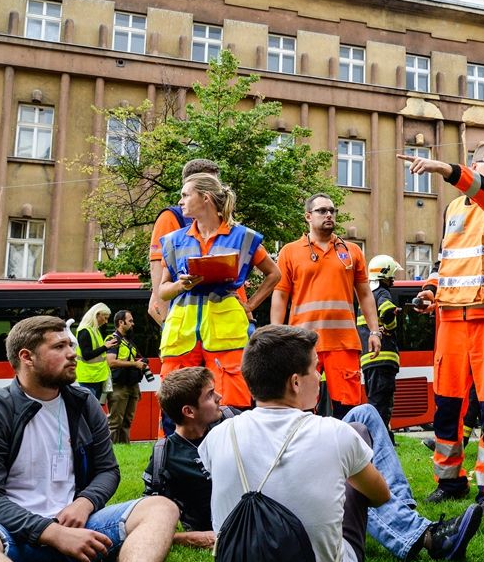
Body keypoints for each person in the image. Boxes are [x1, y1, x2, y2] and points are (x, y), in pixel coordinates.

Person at [200, 325, 484, 562]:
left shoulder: (217, 437)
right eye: (315, 369)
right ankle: (423, 534)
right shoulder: (334, 435)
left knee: (364, 414)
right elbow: (380, 496)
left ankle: (415, 529)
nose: (320, 376)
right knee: (360, 441)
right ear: (295, 382)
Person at [0, 316, 179, 562]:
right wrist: (52, 533)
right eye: (59, 346)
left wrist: (84, 502)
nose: (72, 353)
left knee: (160, 506)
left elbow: (107, 470)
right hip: (7, 536)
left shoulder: (83, 402)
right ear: (27, 357)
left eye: (70, 344)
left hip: (79, 528)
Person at [399, 141, 484, 514]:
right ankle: (450, 481)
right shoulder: (453, 209)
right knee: (446, 407)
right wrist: (428, 292)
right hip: (451, 322)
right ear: (477, 163)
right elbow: (447, 261)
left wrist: (447, 170)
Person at [158, 172, 281, 412]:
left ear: (205, 198)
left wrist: (250, 305)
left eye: (185, 195)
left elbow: (274, 273)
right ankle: (177, 449)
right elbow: (163, 291)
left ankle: (229, 449)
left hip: (227, 332)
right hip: (181, 335)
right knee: (176, 406)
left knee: (231, 406)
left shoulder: (243, 237)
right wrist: (181, 285)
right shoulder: (173, 241)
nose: (180, 201)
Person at [271, 193, 381, 418]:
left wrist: (374, 330)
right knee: (301, 406)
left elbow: (365, 294)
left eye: (332, 210)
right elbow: (280, 295)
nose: (329, 214)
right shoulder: (290, 251)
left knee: (349, 408)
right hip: (302, 342)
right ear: (308, 217)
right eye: (322, 211)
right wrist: (276, 334)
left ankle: (347, 451)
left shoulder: (352, 251)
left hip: (343, 342)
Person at [143, 366, 226, 549]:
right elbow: (148, 523)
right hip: (210, 531)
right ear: (189, 411)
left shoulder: (231, 425)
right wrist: (190, 538)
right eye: (210, 395)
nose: (219, 397)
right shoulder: (164, 456)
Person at [148, 158, 221, 325]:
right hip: (188, 320)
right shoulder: (172, 218)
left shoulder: (223, 221)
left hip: (222, 318)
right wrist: (167, 322)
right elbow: (158, 274)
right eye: (210, 183)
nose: (218, 189)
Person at [357, 255, 403, 436]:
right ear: (385, 274)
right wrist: (391, 324)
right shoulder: (382, 292)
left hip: (368, 361)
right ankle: (378, 440)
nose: (393, 279)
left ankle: (382, 437)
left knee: (374, 401)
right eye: (392, 275)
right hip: (384, 359)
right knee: (382, 405)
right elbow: (386, 311)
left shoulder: (365, 297)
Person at [105, 309, 148, 444]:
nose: (133, 324)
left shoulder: (128, 341)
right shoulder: (112, 339)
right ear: (120, 322)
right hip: (119, 386)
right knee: (115, 421)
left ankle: (124, 447)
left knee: (127, 421)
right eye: (130, 321)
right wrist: (135, 364)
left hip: (132, 384)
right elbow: (111, 362)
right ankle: (109, 450)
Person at [76, 302, 116, 401]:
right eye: (105, 318)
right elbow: (87, 355)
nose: (106, 322)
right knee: (89, 410)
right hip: (88, 378)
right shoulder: (85, 331)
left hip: (96, 377)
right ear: (97, 314)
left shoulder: (95, 330)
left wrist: (106, 346)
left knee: (94, 409)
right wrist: (105, 347)